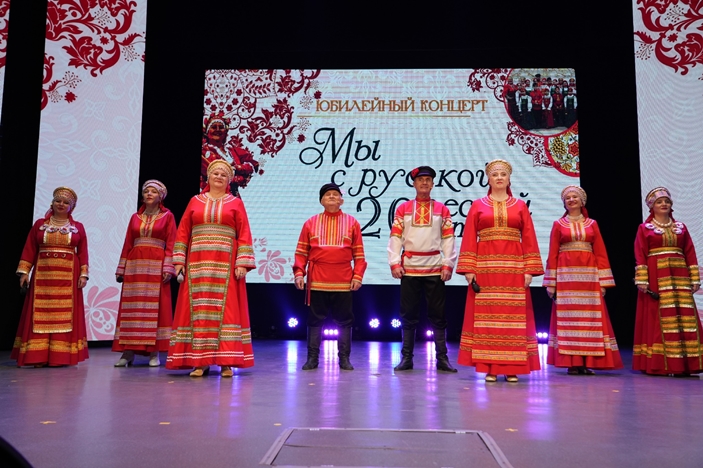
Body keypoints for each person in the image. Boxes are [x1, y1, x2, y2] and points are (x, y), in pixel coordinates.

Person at [166, 160, 256, 377]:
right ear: (208, 177)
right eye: (215, 173)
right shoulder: (195, 201)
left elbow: (244, 233)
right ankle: (200, 362)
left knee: (226, 309)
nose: (219, 177)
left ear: (229, 181)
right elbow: (183, 232)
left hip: (226, 262)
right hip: (197, 263)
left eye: (223, 175)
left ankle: (226, 362)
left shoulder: (235, 203)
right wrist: (179, 262)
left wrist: (242, 263)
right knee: (198, 309)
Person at [457, 159, 543, 382]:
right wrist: (469, 268)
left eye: (503, 174)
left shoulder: (520, 206)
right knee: (487, 316)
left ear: (509, 179)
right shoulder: (478, 205)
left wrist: (529, 269)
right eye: (494, 174)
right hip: (486, 268)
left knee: (513, 316)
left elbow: (529, 237)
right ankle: (491, 367)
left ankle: (512, 367)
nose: (499, 178)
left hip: (514, 268)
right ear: (488, 179)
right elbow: (469, 237)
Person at [544, 186, 623, 374]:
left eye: (575, 197)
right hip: (566, 277)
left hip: (589, 277)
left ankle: (588, 362)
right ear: (564, 203)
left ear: (582, 201)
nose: (571, 200)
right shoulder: (558, 224)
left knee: (589, 318)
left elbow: (601, 252)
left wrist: (603, 281)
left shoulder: (592, 224)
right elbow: (552, 253)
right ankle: (573, 362)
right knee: (569, 318)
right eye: (568, 198)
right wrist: (551, 283)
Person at [387, 166, 458, 373]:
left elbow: (448, 239)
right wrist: (394, 262)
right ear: (414, 183)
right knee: (408, 314)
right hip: (409, 269)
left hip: (435, 268)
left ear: (433, 184)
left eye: (428, 179)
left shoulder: (442, 209)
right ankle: (406, 358)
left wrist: (448, 263)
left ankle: (442, 359)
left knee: (438, 315)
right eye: (420, 180)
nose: (424, 183)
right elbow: (395, 237)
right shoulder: (403, 209)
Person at [293, 183, 367, 371]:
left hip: (343, 280)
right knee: (315, 320)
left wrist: (357, 276)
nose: (332, 197)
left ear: (342, 200)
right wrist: (299, 273)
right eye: (328, 195)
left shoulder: (352, 223)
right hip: (317, 280)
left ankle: (344, 359)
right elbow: (301, 252)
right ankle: (312, 359)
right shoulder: (310, 223)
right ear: (321, 201)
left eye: (335, 194)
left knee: (345, 320)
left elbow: (359, 255)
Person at [13, 187, 89, 367]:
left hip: (68, 277)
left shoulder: (78, 227)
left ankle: (59, 357)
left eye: (66, 202)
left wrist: (84, 274)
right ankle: (37, 356)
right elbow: (30, 248)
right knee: (40, 313)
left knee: (64, 314)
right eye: (58, 201)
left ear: (71, 207)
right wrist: (24, 272)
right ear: (52, 203)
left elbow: (83, 252)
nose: (61, 204)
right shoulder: (40, 224)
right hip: (43, 276)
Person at [633, 187, 703, 376]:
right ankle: (662, 364)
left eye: (666, 201)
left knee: (683, 315)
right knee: (660, 315)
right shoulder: (645, 228)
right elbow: (640, 253)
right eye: (659, 202)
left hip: (680, 275)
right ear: (651, 207)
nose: (664, 204)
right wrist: (642, 279)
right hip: (657, 274)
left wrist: (694, 278)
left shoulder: (681, 227)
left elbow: (690, 252)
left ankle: (686, 363)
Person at [112, 180, 176, 367]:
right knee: (132, 308)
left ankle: (153, 352)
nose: (149, 194)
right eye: (146, 191)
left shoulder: (167, 216)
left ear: (160, 196)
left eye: (153, 191)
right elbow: (128, 243)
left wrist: (168, 267)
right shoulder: (135, 217)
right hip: (135, 266)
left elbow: (171, 242)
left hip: (156, 265)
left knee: (154, 308)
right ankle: (128, 352)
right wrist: (121, 268)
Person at [201, 112, 259, 197]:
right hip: (214, 197)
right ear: (207, 131)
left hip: (233, 197)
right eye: (214, 127)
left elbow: (254, 165)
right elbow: (216, 177)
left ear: (225, 131)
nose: (218, 130)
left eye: (221, 127)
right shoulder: (204, 153)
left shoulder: (232, 150)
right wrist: (240, 176)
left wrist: (238, 168)